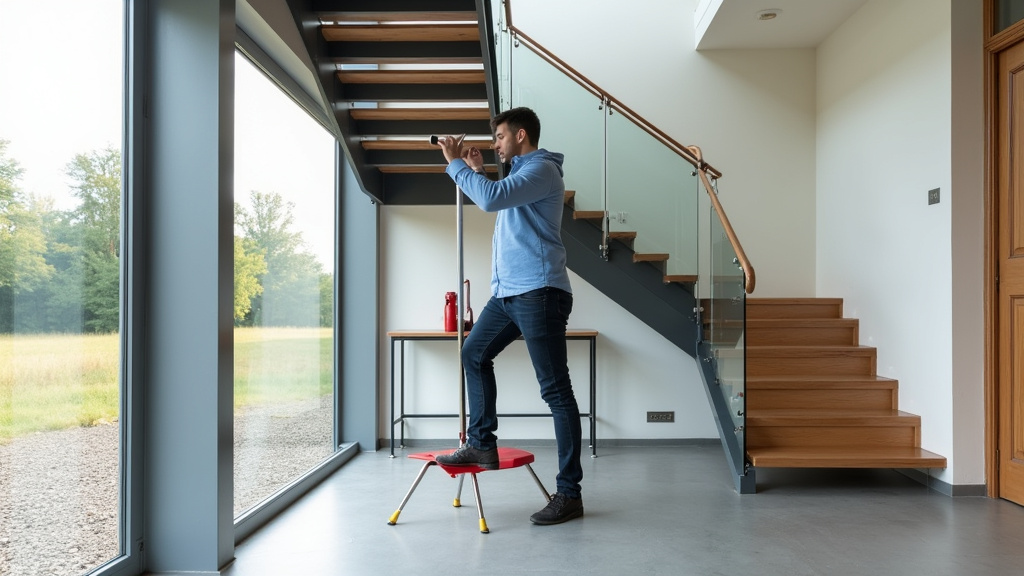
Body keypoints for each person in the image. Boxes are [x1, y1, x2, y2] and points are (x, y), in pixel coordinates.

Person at [432, 107, 584, 525]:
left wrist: (458, 165)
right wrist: (480, 169)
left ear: (520, 135)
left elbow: (492, 199)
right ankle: (482, 444)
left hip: (538, 291)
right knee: (473, 354)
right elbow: (502, 194)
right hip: (509, 295)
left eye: (499, 137)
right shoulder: (522, 175)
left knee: (556, 392)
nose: (496, 144)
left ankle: (570, 493)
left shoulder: (543, 171)